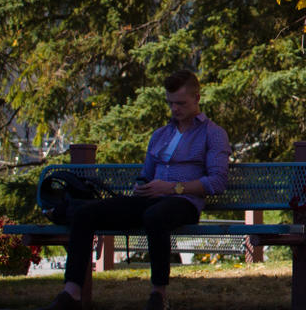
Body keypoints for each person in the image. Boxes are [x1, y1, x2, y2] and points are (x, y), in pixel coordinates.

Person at [40, 70, 230, 310]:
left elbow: (217, 182)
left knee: (155, 217)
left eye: (181, 103)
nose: (175, 109)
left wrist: (173, 188)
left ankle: (158, 293)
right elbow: (146, 174)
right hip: (150, 199)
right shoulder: (161, 135)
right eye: (171, 103)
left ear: (197, 98)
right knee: (85, 213)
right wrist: (140, 186)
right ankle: (72, 292)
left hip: (184, 202)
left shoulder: (213, 134)